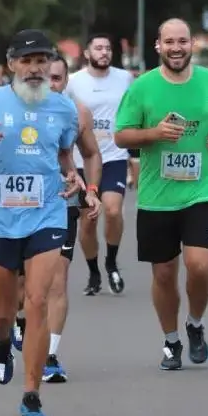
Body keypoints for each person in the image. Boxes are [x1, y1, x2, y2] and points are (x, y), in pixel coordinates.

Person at [0, 29, 80, 416]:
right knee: (2, 313)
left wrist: (73, 176)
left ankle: (31, 396)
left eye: (41, 60)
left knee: (37, 301)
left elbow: (64, 153)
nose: (34, 68)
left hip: (47, 213)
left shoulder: (63, 108)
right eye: (26, 61)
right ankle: (0, 340)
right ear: (12, 64)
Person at [113, 18, 208, 370]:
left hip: (203, 189)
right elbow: (121, 136)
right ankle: (171, 341)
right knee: (164, 274)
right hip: (157, 195)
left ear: (192, 44)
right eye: (169, 42)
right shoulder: (142, 87)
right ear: (158, 46)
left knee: (200, 265)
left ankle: (195, 323)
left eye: (182, 41)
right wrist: (153, 134)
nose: (176, 48)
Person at [43, 57, 101, 382]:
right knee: (22, 284)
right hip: (20, 206)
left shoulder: (77, 113)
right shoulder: (11, 110)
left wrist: (90, 190)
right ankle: (14, 329)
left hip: (62, 201)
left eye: (56, 78)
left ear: (66, 81)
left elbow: (90, 153)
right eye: (44, 77)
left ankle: (50, 355)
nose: (50, 84)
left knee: (58, 279)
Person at [65, 33, 134, 296]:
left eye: (107, 48)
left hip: (114, 155)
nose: (104, 52)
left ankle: (111, 262)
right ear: (87, 53)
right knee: (88, 221)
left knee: (113, 211)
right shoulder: (74, 82)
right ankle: (94, 272)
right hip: (83, 158)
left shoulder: (124, 78)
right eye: (98, 48)